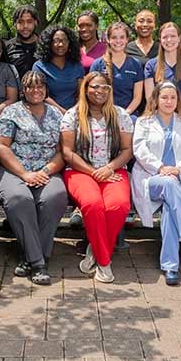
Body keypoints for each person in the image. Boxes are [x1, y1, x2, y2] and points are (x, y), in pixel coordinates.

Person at [131, 81, 181, 285]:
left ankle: (170, 267)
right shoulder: (144, 122)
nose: (169, 101)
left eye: (173, 97)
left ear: (178, 100)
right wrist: (160, 168)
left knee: (170, 208)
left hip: (178, 179)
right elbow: (140, 151)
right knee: (168, 184)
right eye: (164, 97)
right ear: (156, 99)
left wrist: (179, 168)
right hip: (151, 178)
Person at [0, 70, 68, 285]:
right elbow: (0, 146)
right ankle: (38, 262)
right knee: (20, 199)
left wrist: (45, 172)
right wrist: (25, 174)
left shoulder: (56, 114)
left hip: (46, 171)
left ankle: (29, 256)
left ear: (46, 89)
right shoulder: (11, 112)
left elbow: (63, 150)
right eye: (30, 87)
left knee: (57, 196)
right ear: (23, 90)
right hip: (12, 170)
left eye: (40, 86)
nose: (36, 90)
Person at [60, 72, 134, 283]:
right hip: (80, 170)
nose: (99, 91)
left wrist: (109, 168)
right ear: (85, 89)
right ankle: (104, 262)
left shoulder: (121, 115)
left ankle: (95, 249)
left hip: (113, 169)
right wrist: (93, 172)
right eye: (94, 87)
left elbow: (128, 150)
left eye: (104, 87)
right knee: (92, 204)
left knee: (118, 205)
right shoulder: (72, 116)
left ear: (110, 90)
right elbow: (67, 152)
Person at [144, 22, 181, 113]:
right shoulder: (150, 65)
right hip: (159, 116)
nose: (169, 40)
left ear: (179, 38)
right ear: (160, 40)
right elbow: (150, 98)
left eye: (173, 36)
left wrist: (178, 115)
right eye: (165, 37)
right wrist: (164, 116)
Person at [90, 21, 143, 116]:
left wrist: (125, 115)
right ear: (108, 39)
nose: (118, 41)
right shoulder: (98, 64)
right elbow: (92, 94)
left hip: (129, 115)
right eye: (114, 37)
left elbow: (137, 97)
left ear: (127, 39)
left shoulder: (135, 64)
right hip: (103, 115)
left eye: (122, 37)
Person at [32, 26, 85, 114]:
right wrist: (64, 112)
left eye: (64, 40)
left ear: (70, 43)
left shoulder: (76, 65)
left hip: (75, 113)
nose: (61, 44)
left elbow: (81, 93)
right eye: (56, 40)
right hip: (48, 113)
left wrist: (74, 111)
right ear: (49, 42)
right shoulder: (39, 66)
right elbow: (42, 95)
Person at [5, 4, 40, 79]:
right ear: (14, 24)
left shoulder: (45, 46)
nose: (25, 26)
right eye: (20, 22)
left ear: (36, 22)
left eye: (29, 22)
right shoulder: (6, 47)